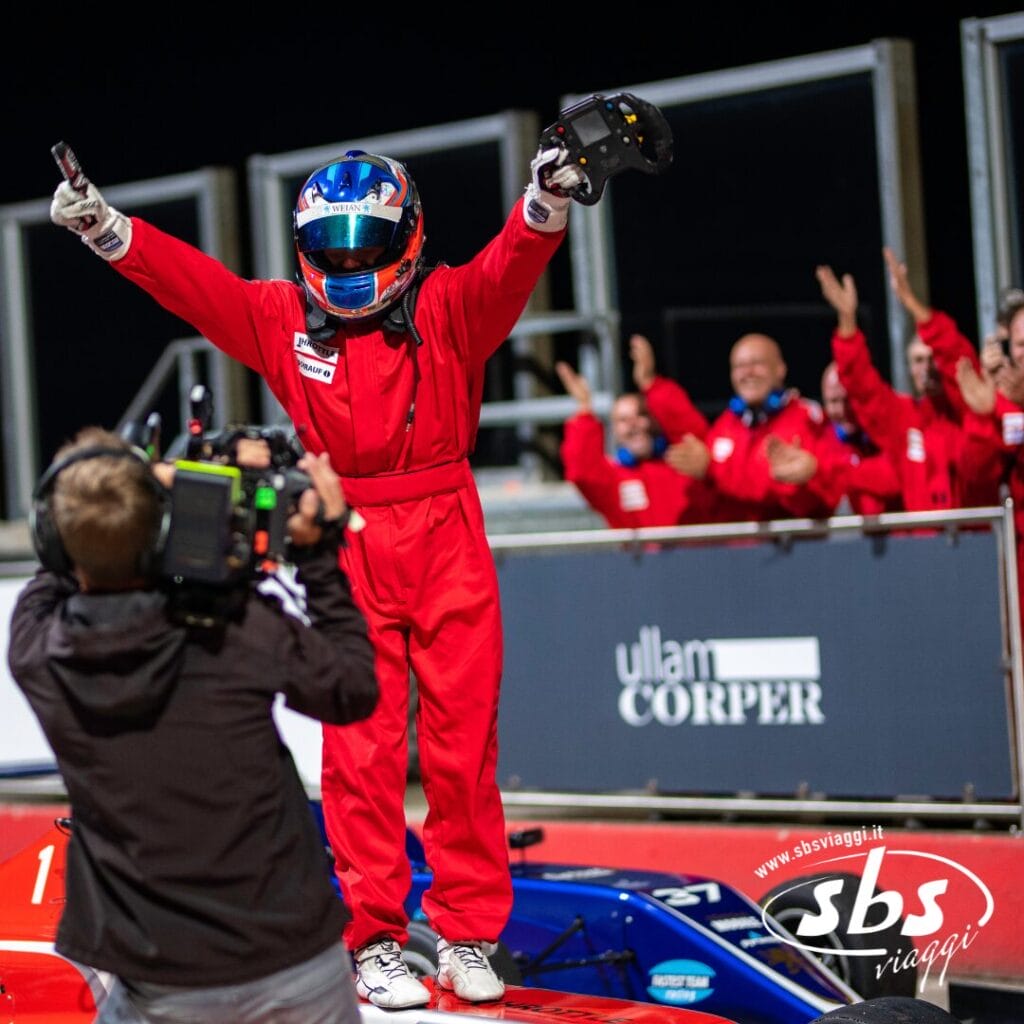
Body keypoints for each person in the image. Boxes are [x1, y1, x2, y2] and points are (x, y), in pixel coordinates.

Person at [50, 142, 591, 1008]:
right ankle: (375, 938)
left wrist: (544, 201)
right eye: (332, 249)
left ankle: (466, 932)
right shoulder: (282, 318)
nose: (347, 264)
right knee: (361, 750)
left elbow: (510, 262)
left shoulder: (452, 304)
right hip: (346, 534)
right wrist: (110, 232)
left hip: (447, 529)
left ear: (406, 236)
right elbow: (195, 284)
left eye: (364, 246)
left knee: (464, 747)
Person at [7, 428, 378, 1023]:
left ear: (55, 539)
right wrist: (319, 558)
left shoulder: (39, 652)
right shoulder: (235, 629)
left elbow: (57, 569)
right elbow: (353, 690)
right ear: (159, 530)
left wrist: (112, 499)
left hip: (159, 979)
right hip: (294, 963)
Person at [817, 249, 1002, 513]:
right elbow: (860, 385)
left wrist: (911, 303)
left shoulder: (970, 413)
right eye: (917, 360)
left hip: (976, 545)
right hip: (923, 548)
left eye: (932, 357)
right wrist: (847, 319)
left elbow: (954, 353)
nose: (927, 368)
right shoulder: (904, 419)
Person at [651, 333, 841, 522]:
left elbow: (816, 502)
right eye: (739, 366)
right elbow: (713, 505)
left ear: (780, 369)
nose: (748, 372)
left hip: (795, 548)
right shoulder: (726, 424)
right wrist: (704, 478)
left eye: (757, 363)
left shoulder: (807, 418)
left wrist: (810, 477)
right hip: (734, 549)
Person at [555, 334, 714, 528]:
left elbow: (692, 430)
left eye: (640, 414)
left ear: (656, 421)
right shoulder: (613, 479)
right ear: (614, 431)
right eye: (623, 420)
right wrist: (584, 409)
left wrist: (650, 383)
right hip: (639, 558)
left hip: (698, 556)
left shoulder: (685, 463)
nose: (633, 424)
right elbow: (582, 471)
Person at [816, 360, 902, 515]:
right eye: (834, 401)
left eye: (849, 399)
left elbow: (896, 476)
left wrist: (843, 474)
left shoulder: (887, 431)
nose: (843, 410)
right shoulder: (817, 438)